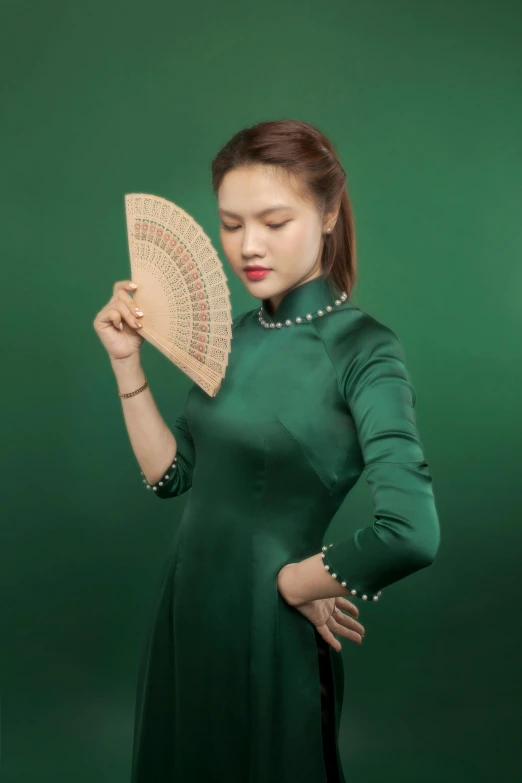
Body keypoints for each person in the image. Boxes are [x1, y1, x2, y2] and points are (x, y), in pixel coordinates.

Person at [93, 119, 441, 783]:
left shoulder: (366, 350)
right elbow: (172, 477)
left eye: (274, 221)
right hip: (186, 614)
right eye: (230, 224)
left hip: (269, 633)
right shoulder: (234, 335)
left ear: (330, 212)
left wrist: (295, 580)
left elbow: (411, 532)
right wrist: (125, 366)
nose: (247, 245)